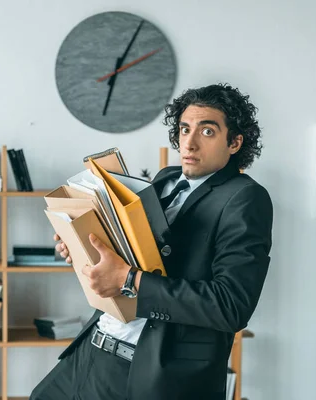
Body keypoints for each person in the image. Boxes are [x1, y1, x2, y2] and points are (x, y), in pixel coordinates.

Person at [31, 83, 273, 400]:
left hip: (151, 373)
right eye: (184, 129)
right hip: (92, 349)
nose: (190, 142)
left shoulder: (246, 197)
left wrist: (130, 279)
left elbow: (231, 306)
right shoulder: (165, 178)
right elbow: (134, 251)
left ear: (235, 142)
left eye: (208, 131)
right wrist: (83, 248)